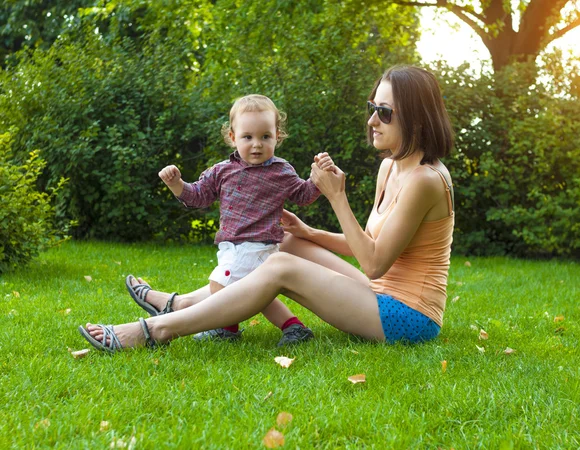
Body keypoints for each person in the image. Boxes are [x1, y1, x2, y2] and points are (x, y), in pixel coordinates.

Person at [79, 65, 455, 353]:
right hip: (377, 292)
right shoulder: (391, 165)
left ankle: (156, 330)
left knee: (277, 264)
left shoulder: (425, 180)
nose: (372, 120)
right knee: (283, 244)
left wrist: (336, 197)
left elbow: (374, 262)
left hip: (407, 317)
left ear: (417, 119)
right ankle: (182, 304)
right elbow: (372, 242)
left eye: (385, 112)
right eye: (373, 108)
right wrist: (308, 233)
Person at [126, 94, 335, 347]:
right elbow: (198, 196)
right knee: (255, 293)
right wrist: (177, 185)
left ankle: (228, 327)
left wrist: (318, 179)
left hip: (259, 247)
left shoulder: (281, 171)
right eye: (248, 137)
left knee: (220, 283)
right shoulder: (222, 171)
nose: (256, 144)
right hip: (232, 247)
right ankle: (293, 328)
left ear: (277, 136)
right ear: (233, 137)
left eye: (265, 137)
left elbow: (303, 195)